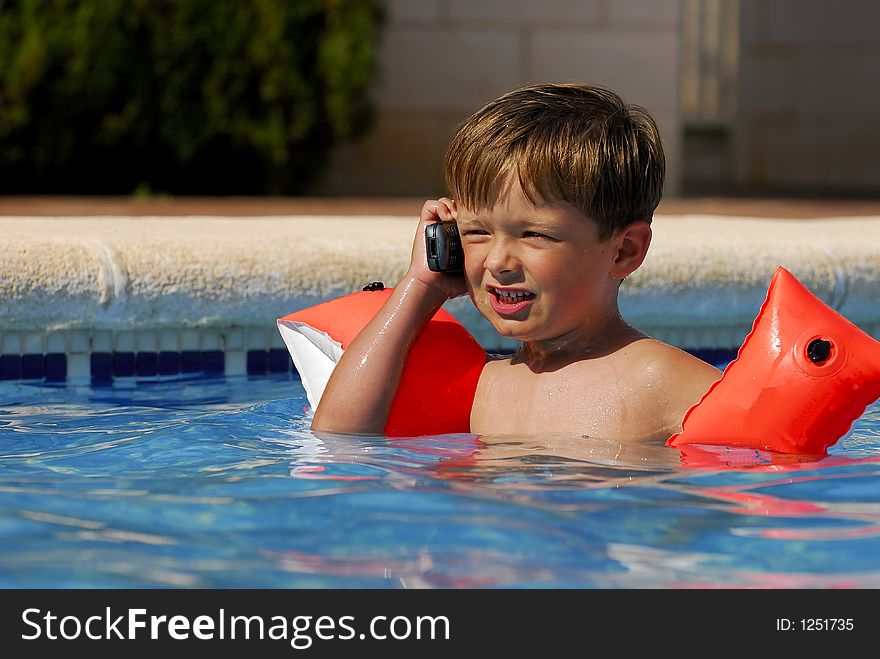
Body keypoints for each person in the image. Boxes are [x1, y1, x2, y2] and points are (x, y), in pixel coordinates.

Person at [311, 83, 721, 443]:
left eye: (535, 235)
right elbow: (338, 440)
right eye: (476, 232)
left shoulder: (663, 381)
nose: (498, 261)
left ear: (624, 250)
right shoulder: (486, 384)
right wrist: (421, 285)